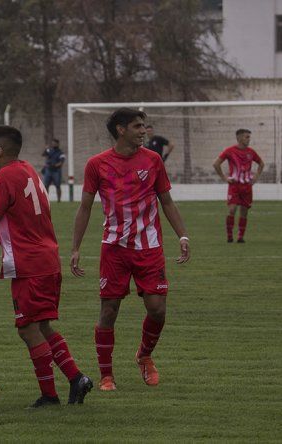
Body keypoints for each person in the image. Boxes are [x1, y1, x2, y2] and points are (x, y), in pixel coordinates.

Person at [0, 125, 93, 408]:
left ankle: (50, 395)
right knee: (43, 327)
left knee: (27, 328)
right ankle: (77, 379)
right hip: (46, 259)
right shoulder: (25, 169)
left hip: (30, 264)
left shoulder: (7, 175)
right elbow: (17, 201)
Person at [70, 108, 190, 392]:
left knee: (157, 309)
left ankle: (145, 355)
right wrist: (75, 248)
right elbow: (85, 207)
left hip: (149, 247)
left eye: (144, 126)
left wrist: (183, 236)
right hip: (114, 249)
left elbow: (167, 201)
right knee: (109, 310)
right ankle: (106, 375)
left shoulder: (153, 160)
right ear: (121, 129)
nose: (144, 131)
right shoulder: (96, 164)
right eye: (138, 126)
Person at [213, 129, 264, 243]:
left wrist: (255, 177)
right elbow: (216, 164)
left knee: (244, 212)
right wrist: (224, 178)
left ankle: (240, 237)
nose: (248, 139)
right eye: (247, 137)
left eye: (249, 137)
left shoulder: (251, 152)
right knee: (232, 210)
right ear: (239, 138)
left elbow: (261, 164)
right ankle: (229, 236)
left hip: (247, 186)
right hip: (234, 186)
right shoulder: (230, 151)